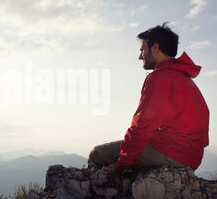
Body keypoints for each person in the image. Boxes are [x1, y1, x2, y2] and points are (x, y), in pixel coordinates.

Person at [88, 23, 209, 173]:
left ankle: (99, 192)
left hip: (172, 153)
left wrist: (121, 163)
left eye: (142, 50)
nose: (140, 57)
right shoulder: (182, 77)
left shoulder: (160, 78)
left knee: (97, 154)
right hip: (190, 155)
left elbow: (142, 125)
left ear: (155, 48)